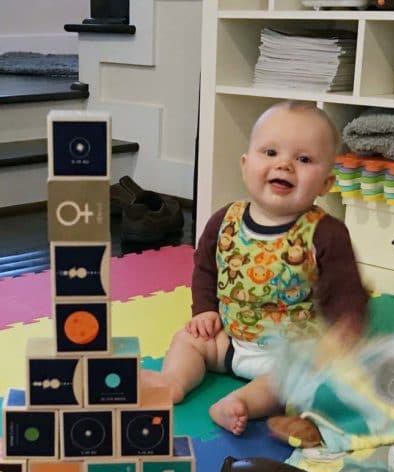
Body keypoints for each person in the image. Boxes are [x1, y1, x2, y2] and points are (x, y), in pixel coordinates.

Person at [141, 100, 370, 446]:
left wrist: (344, 332)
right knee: (187, 340)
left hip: (288, 353)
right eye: (271, 152)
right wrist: (204, 310)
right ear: (246, 165)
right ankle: (173, 381)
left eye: (303, 159)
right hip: (229, 340)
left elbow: (347, 292)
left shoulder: (325, 232)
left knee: (300, 377)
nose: (284, 164)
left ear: (325, 183)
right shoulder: (224, 221)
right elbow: (205, 269)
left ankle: (240, 403)